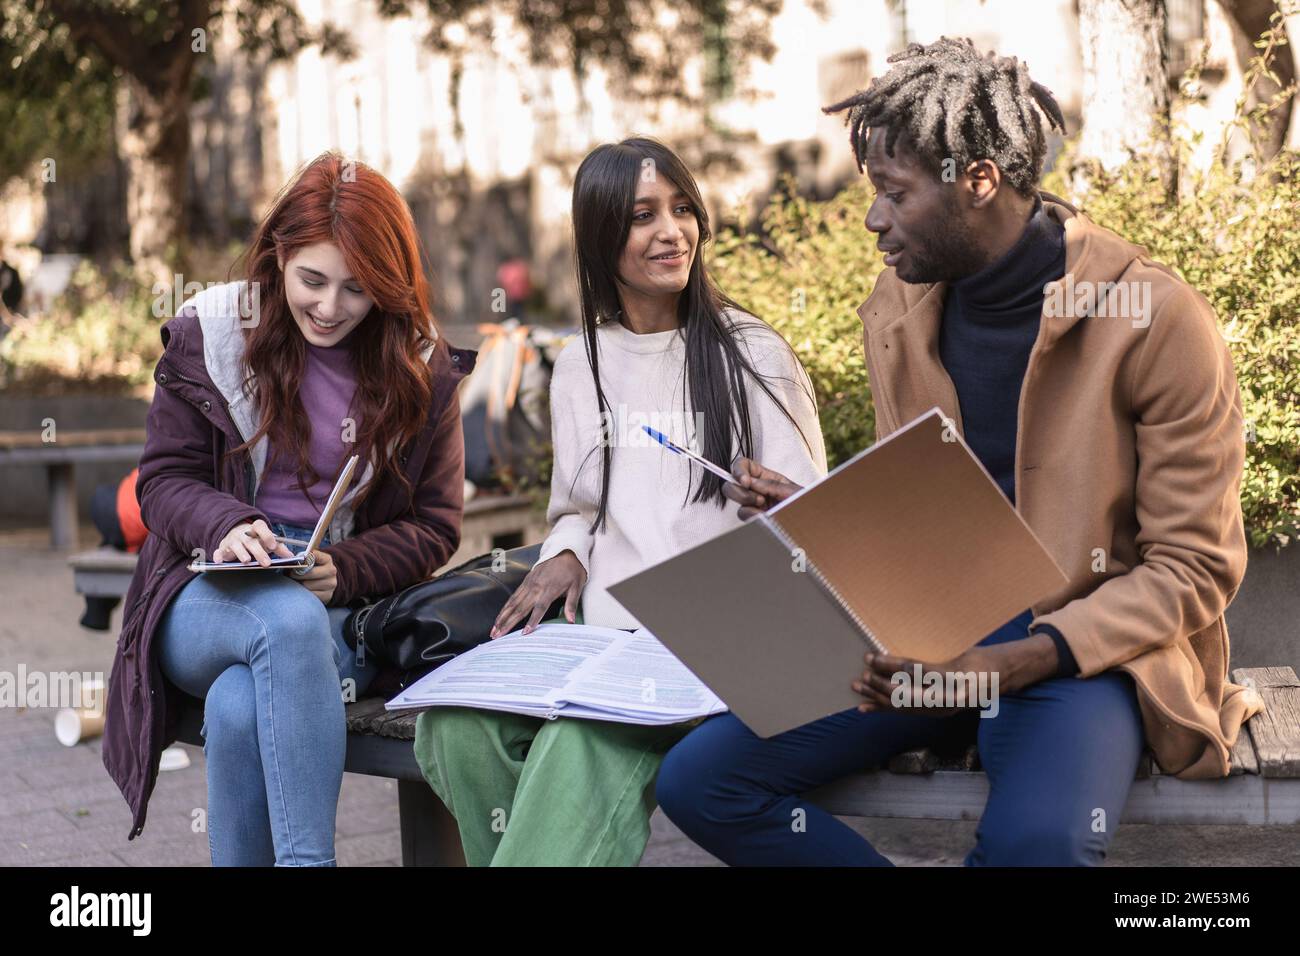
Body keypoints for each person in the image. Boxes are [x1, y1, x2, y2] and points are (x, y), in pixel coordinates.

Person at [655, 37, 1259, 866]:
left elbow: (1195, 565)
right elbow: (921, 497)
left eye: (895, 195)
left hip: (1082, 646)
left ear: (977, 181)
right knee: (700, 782)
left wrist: (1015, 660)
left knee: (1039, 847)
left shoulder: (1155, 319)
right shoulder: (900, 305)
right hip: (925, 634)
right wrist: (824, 520)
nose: (873, 219)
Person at [413, 137, 827, 866]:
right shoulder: (580, 363)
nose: (672, 231)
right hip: (597, 638)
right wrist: (567, 547)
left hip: (703, 648)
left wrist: (782, 510)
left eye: (682, 209)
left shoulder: (755, 355)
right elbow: (579, 502)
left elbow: (816, 526)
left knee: (581, 742)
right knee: (452, 726)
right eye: (643, 216)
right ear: (602, 238)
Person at [102, 153, 475, 865]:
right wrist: (227, 522)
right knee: (286, 620)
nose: (330, 309)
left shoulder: (419, 367)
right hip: (202, 587)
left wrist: (348, 567)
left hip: (337, 599)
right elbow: (163, 482)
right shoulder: (212, 332)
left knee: (239, 706)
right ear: (278, 256)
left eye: (357, 290)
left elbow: (436, 525)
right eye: (312, 280)